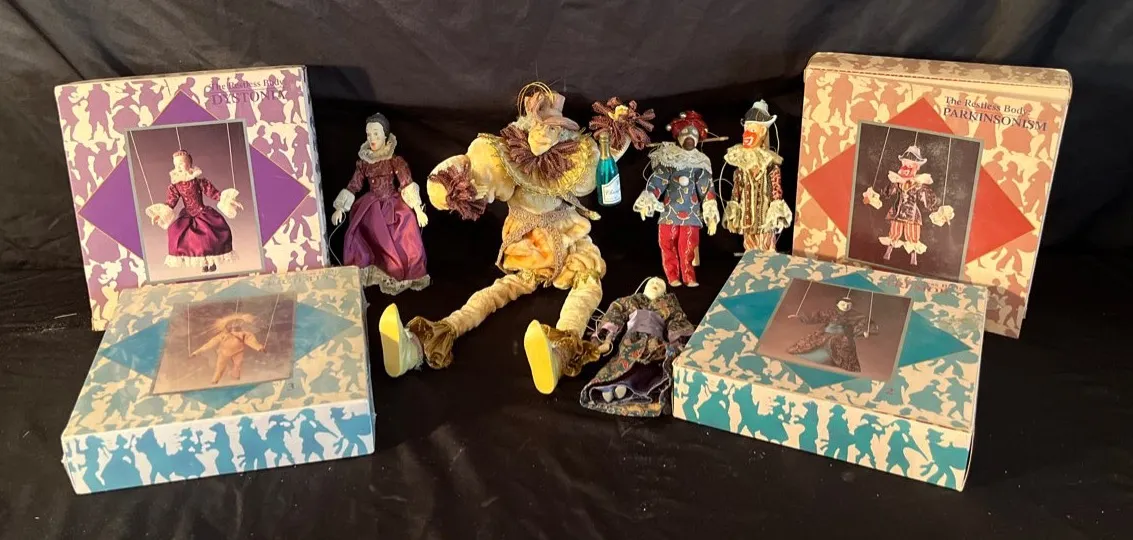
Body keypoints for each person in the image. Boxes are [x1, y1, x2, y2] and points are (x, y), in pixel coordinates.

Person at [378, 83, 653, 394]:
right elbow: (474, 169)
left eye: (554, 127)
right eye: (544, 124)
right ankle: (422, 343)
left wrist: (620, 126)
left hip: (569, 243)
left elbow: (602, 157)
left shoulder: (571, 158)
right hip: (529, 248)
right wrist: (450, 186)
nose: (547, 134)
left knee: (587, 285)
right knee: (498, 292)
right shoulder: (506, 156)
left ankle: (560, 351)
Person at [331, 113, 430, 294]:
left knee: (405, 232)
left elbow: (406, 182)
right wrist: (340, 208)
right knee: (365, 232)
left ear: (385, 135)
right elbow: (354, 184)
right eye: (369, 135)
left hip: (393, 204)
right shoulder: (364, 163)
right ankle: (374, 269)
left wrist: (418, 209)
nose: (372, 138)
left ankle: (405, 271)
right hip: (372, 206)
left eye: (376, 134)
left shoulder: (394, 160)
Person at [581, 277, 694, 416]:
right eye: (651, 282)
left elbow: (677, 321)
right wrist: (607, 339)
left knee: (651, 368)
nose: (655, 284)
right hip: (632, 340)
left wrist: (675, 343)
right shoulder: (632, 301)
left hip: (655, 342)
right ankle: (608, 387)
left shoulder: (670, 304)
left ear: (665, 293)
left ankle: (627, 388)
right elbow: (615, 313)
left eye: (660, 284)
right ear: (644, 288)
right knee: (621, 363)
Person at [633, 112, 720, 287]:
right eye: (685, 133)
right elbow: (658, 181)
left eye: (694, 133)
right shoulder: (669, 159)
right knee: (667, 243)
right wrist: (648, 200)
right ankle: (672, 276)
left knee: (688, 245)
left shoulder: (700, 162)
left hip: (691, 213)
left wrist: (711, 213)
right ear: (678, 135)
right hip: (669, 212)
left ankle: (689, 276)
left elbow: (706, 187)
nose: (690, 137)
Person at [145, 150, 242, 273]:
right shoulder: (175, 186)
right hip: (187, 215)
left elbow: (215, 194)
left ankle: (211, 261)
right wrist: (159, 214)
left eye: (181, 163)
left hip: (202, 212)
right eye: (176, 164)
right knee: (177, 233)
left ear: (189, 164)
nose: (178, 167)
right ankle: (203, 262)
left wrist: (230, 200)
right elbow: (171, 202)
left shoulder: (199, 182)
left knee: (208, 237)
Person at [722, 100, 792, 252]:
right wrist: (733, 210)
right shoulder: (742, 166)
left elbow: (775, 190)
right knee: (750, 252)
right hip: (747, 220)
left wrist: (776, 212)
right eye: (746, 128)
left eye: (752, 129)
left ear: (763, 132)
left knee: (767, 252)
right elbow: (737, 190)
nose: (747, 133)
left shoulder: (770, 165)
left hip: (764, 221)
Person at [786, 293, 877, 372]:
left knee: (839, 349)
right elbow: (818, 316)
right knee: (811, 347)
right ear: (837, 304)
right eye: (843, 304)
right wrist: (800, 317)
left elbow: (863, 324)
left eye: (849, 305)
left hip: (842, 337)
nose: (846, 307)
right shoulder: (830, 312)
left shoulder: (855, 315)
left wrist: (864, 332)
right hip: (826, 333)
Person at [191, 314, 266, 384]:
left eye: (236, 323)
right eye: (232, 324)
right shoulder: (223, 335)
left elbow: (251, 341)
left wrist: (259, 348)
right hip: (224, 353)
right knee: (220, 367)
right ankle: (214, 381)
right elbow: (210, 344)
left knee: (237, 365)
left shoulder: (244, 334)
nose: (234, 325)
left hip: (238, 352)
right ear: (228, 326)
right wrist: (196, 352)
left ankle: (235, 379)